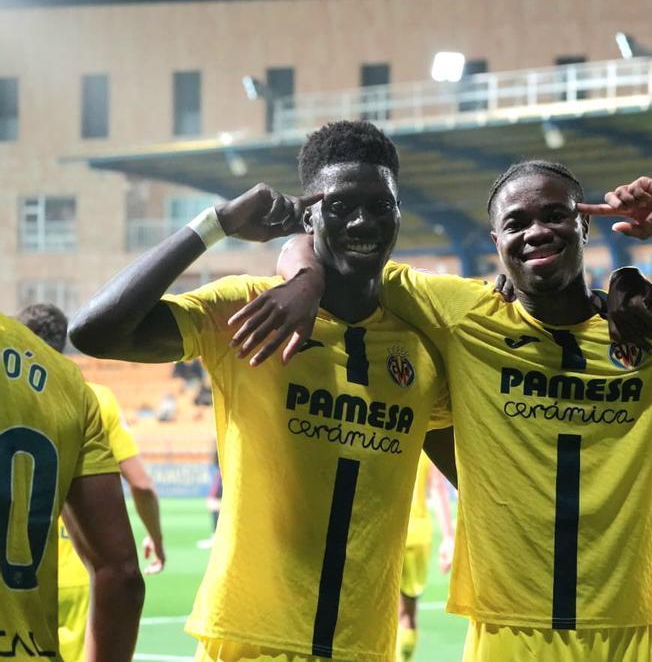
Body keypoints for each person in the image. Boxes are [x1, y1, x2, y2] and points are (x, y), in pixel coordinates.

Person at [236, 165, 652, 660]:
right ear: (495, 243)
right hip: (508, 632)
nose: (536, 231)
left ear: (585, 227)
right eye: (515, 222)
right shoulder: (464, 313)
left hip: (626, 629)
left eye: (556, 214)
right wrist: (305, 281)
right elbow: (323, 245)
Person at [69, 120, 451, 660]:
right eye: (341, 206)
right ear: (309, 213)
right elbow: (94, 332)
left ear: (398, 211)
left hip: (364, 646)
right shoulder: (245, 311)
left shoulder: (421, 345)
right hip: (246, 639)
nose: (364, 220)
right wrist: (217, 223)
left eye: (380, 204)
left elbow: (469, 465)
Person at [16, 303, 167, 662]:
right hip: (83, 574)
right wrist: (155, 540)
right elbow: (142, 484)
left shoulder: (11, 394)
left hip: (22, 578)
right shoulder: (92, 397)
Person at [396, 454, 455, 661]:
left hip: (383, 533)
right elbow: (437, 488)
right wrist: (448, 537)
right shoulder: (424, 433)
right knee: (407, 614)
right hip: (417, 535)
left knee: (374, 612)